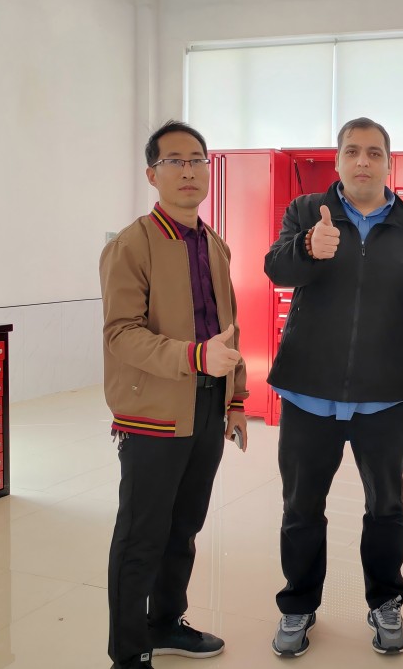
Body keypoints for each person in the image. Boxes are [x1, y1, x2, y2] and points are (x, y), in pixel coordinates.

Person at [264, 117, 403, 658]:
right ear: (338, 159)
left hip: (384, 397)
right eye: (351, 151)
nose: (362, 161)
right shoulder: (306, 212)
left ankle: (385, 601)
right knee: (301, 508)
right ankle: (298, 605)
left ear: (389, 162)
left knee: (386, 507)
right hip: (308, 394)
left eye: (373, 152)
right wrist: (307, 248)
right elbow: (275, 269)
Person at [100, 120, 249, 669]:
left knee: (184, 527)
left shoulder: (215, 244)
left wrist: (236, 399)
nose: (188, 171)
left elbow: (228, 328)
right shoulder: (132, 244)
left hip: (207, 407)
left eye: (197, 160)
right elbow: (121, 333)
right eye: (175, 161)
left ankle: (165, 622)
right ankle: (128, 651)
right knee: (141, 534)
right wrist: (193, 357)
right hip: (153, 413)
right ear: (152, 175)